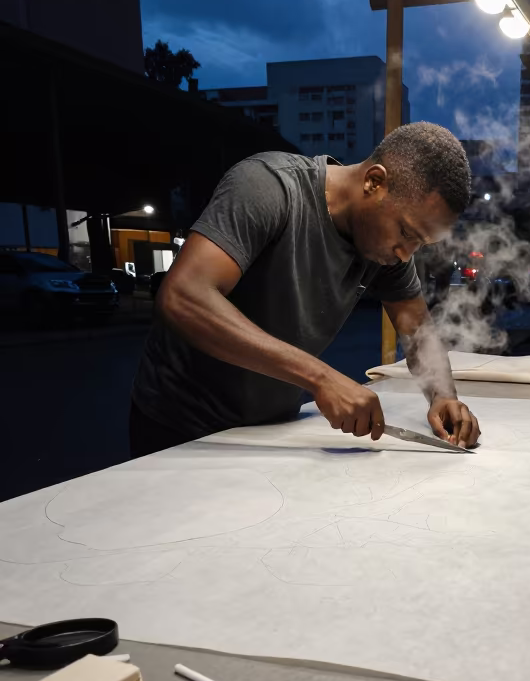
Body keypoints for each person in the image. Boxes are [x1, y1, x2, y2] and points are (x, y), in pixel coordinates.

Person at [130, 123, 481, 457]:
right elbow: (183, 296)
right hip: (182, 429)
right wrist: (320, 377)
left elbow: (418, 330)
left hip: (271, 429)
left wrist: (443, 396)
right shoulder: (268, 186)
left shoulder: (387, 250)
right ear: (375, 182)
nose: (407, 253)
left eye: (421, 243)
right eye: (406, 232)